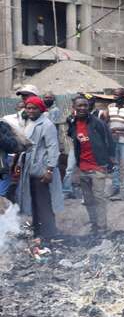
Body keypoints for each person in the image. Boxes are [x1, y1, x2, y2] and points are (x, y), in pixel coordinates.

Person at [16, 96, 63, 240]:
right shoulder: (30, 122)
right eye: (28, 108)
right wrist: (19, 163)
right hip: (30, 167)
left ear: (40, 109)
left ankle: (49, 233)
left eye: (34, 108)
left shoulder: (47, 125)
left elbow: (53, 148)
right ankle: (38, 231)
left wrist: (49, 170)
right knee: (34, 201)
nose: (30, 111)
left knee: (43, 202)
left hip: (41, 168)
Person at [68, 97, 114, 236]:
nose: (82, 108)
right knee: (88, 200)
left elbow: (110, 141)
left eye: (85, 105)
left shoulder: (98, 123)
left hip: (98, 167)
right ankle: (94, 225)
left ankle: (102, 229)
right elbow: (72, 136)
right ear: (74, 107)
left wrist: (110, 160)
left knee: (99, 198)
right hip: (82, 167)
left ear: (89, 107)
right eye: (79, 106)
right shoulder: (73, 123)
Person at [107, 87, 124, 199]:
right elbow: (106, 121)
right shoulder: (110, 107)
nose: (114, 97)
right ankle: (115, 188)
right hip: (113, 141)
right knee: (115, 165)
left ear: (123, 96)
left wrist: (117, 129)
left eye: (116, 95)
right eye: (114, 95)